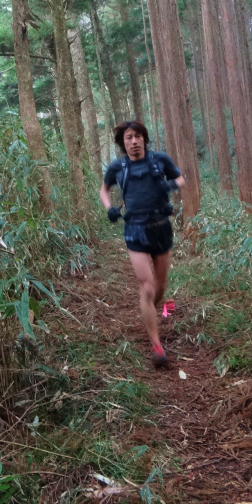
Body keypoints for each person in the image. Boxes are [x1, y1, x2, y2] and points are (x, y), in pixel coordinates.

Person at [99, 121, 185, 367]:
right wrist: (110, 209)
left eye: (137, 136)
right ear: (123, 142)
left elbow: (180, 179)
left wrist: (170, 185)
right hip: (135, 230)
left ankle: (149, 313)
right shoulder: (118, 167)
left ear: (144, 139)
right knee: (146, 287)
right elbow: (104, 190)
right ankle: (156, 345)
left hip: (161, 227)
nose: (133, 141)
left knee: (160, 286)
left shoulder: (160, 160)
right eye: (128, 138)